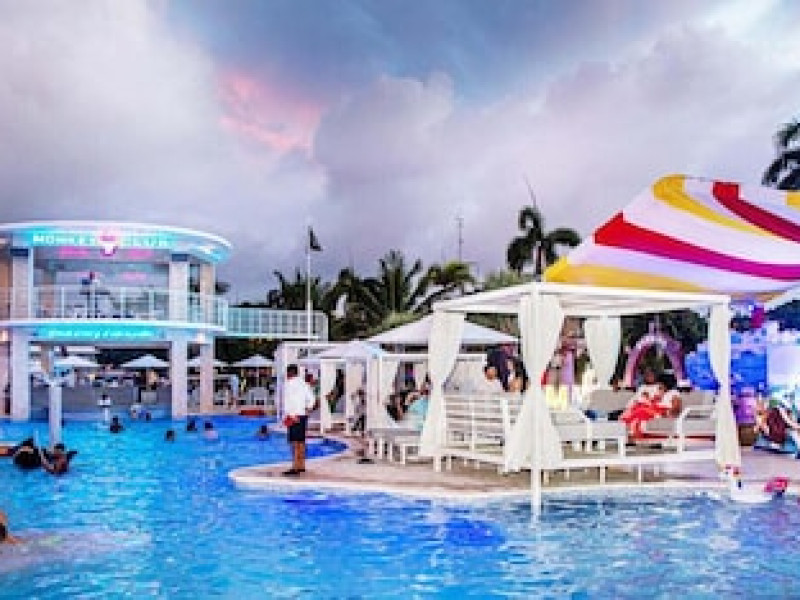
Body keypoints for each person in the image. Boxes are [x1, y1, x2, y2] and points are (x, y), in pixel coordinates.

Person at [620, 374, 680, 440]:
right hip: (654, 409)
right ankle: (627, 428)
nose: (658, 387)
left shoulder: (673, 393)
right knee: (637, 407)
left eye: (660, 385)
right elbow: (655, 401)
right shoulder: (661, 392)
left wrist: (666, 413)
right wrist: (649, 398)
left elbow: (676, 408)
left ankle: (631, 431)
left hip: (662, 412)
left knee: (641, 410)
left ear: (666, 385)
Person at [282, 363, 316, 475]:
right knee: (301, 441)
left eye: (287, 373)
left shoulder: (289, 384)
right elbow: (312, 399)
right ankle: (302, 465)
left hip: (293, 415)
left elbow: (288, 401)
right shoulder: (304, 384)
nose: (286, 375)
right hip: (302, 414)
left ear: (290, 372)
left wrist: (290, 415)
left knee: (294, 442)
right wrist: (308, 409)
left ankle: (295, 467)